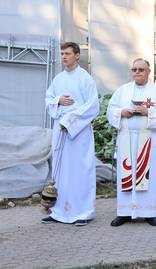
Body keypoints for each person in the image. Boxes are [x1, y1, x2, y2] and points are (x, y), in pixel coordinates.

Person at [107, 58, 156, 227]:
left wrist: (147, 112)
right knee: (126, 174)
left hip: (147, 140)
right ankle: (124, 212)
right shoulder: (123, 91)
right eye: (134, 69)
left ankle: (149, 212)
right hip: (127, 138)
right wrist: (122, 112)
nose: (137, 72)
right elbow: (110, 110)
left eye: (141, 69)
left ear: (148, 72)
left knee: (148, 176)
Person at [42, 42, 99, 226]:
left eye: (67, 53)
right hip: (61, 131)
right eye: (62, 53)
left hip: (78, 132)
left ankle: (83, 212)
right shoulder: (58, 79)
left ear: (77, 55)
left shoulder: (85, 79)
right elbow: (48, 99)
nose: (64, 57)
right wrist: (58, 100)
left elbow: (92, 107)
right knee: (61, 171)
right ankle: (58, 211)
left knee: (80, 170)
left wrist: (70, 121)